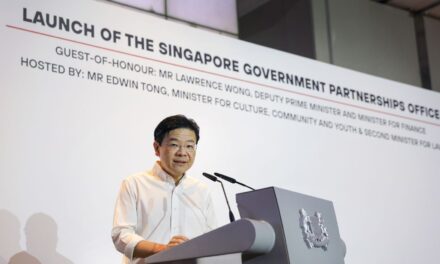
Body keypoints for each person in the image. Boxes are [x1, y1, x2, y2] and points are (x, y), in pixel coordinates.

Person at [112, 115, 216, 264]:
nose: (182, 152)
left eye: (189, 146)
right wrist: (162, 249)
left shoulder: (202, 191)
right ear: (156, 147)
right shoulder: (134, 183)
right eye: (174, 145)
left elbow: (212, 241)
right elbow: (121, 235)